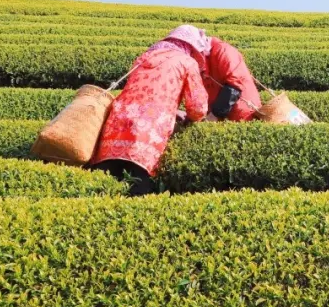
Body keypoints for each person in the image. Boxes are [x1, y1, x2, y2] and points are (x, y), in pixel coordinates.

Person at [90, 25, 211, 195]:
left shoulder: (146, 56)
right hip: (148, 130)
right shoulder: (186, 62)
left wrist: (173, 110)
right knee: (138, 186)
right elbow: (198, 107)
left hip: (117, 124)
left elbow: (143, 92)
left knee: (103, 186)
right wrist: (190, 118)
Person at [204, 37, 261, 121]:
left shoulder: (224, 51)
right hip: (226, 112)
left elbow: (234, 85)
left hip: (241, 111)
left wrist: (215, 114)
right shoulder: (208, 56)